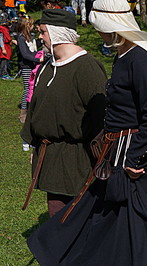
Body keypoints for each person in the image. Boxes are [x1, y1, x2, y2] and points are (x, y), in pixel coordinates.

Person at [26, 0, 147, 264]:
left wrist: (134, 158)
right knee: (110, 220)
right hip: (120, 151)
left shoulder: (139, 59)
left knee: (143, 228)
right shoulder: (124, 55)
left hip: (140, 158)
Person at [20, 9, 107, 218]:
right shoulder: (47, 67)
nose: (40, 37)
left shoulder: (87, 67)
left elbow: (101, 116)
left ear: (57, 32)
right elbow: (37, 109)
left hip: (78, 157)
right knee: (57, 214)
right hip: (50, 153)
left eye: (43, 32)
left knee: (75, 216)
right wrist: (35, 146)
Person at [15, 15, 43, 125]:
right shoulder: (21, 39)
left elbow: (35, 46)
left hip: (34, 66)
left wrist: (42, 40)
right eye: (31, 25)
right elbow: (25, 54)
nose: (33, 27)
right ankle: (23, 113)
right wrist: (38, 59)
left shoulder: (31, 37)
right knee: (27, 89)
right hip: (26, 67)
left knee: (34, 88)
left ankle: (32, 110)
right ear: (26, 26)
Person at [0, 11, 12, 80]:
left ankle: (5, 72)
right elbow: (0, 39)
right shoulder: (1, 29)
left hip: (7, 45)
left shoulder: (5, 28)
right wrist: (3, 48)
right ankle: (3, 74)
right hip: (4, 46)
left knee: (6, 60)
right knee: (4, 60)